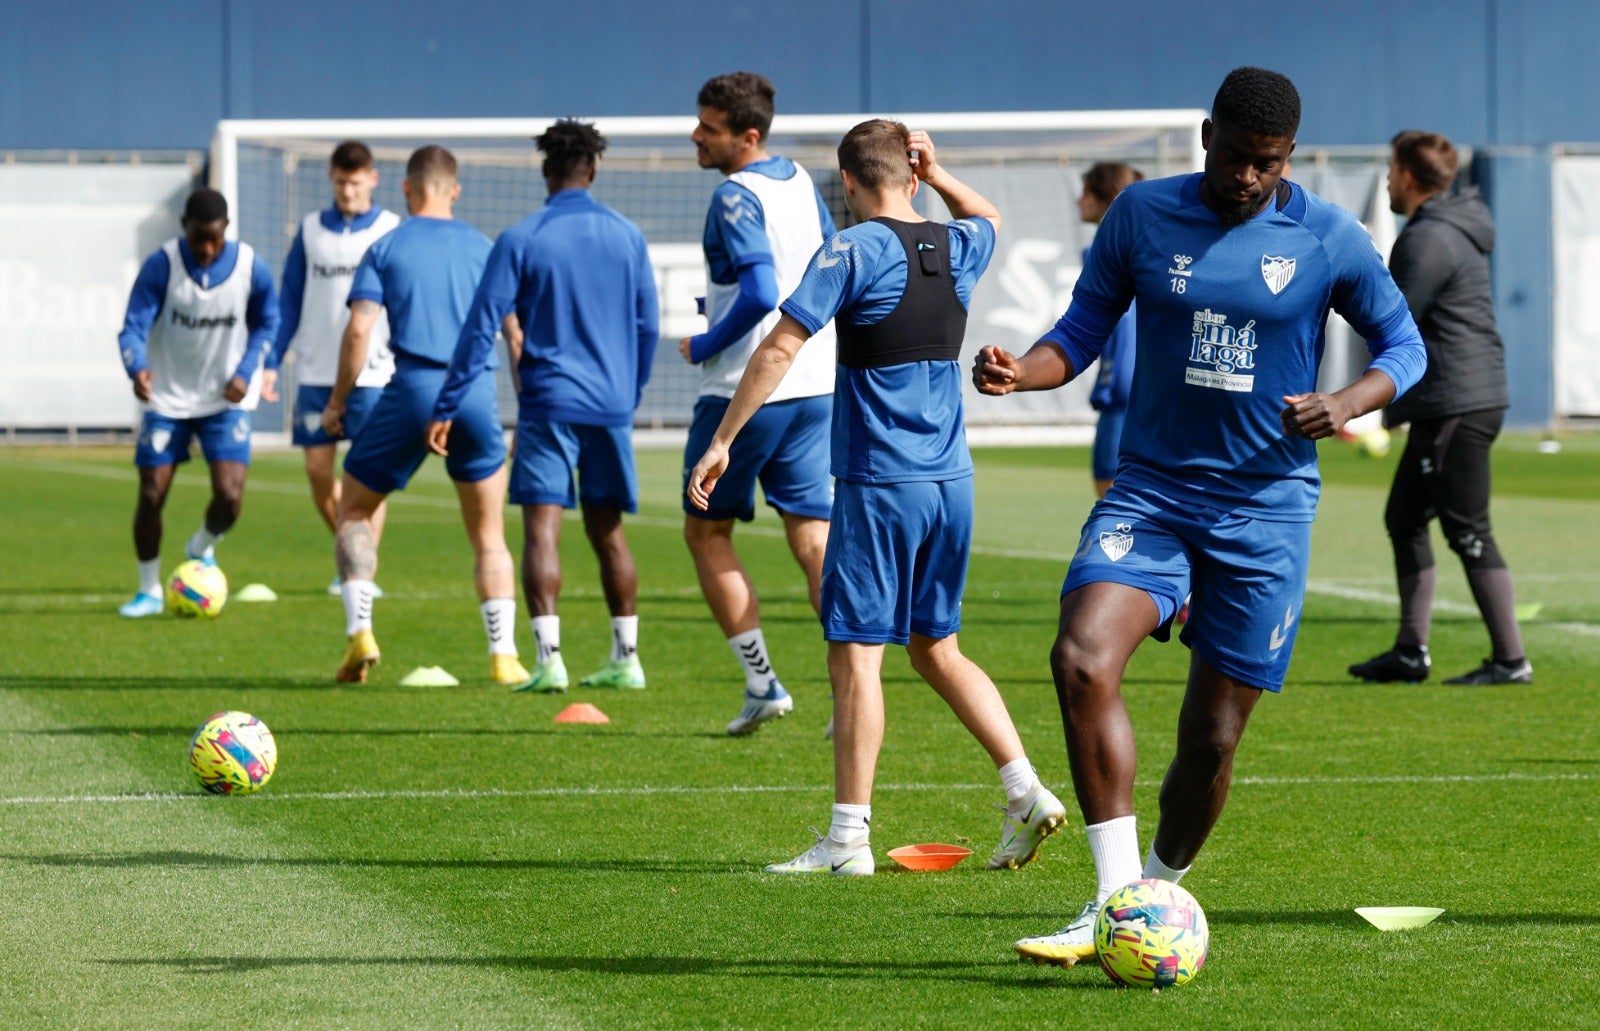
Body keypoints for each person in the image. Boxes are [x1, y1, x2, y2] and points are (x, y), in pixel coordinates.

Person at [972, 67, 1428, 965]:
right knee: (1080, 656)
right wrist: (1019, 371)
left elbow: (1406, 346)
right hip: (1154, 492)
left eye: (1269, 163)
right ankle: (1113, 904)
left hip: (1264, 508)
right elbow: (1078, 333)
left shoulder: (1329, 236)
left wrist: (1347, 401)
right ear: (1205, 133)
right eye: (1237, 156)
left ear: (1287, 156)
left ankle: (1159, 891)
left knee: (1212, 738)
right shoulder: (1141, 217)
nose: (1248, 177)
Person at [688, 120, 1067, 876]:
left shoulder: (851, 249)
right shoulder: (958, 247)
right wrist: (943, 171)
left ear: (849, 184)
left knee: (855, 656)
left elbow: (777, 347)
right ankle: (1025, 791)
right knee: (937, 648)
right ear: (914, 173)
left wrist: (726, 435)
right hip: (949, 482)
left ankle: (847, 840)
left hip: (879, 481)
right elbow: (989, 217)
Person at [427, 121, 659, 692]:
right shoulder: (628, 236)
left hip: (548, 403)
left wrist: (448, 402)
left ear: (545, 171)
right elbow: (648, 324)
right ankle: (626, 660)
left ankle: (550, 661)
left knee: (541, 532)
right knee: (610, 533)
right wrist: (628, 392)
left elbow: (482, 326)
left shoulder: (521, 237)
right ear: (594, 170)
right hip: (609, 405)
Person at [323, 145, 528, 686]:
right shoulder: (487, 247)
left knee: (355, 511)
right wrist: (526, 410)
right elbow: (515, 335)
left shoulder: (385, 246)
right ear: (454, 190)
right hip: (475, 393)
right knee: (489, 536)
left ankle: (359, 633)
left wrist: (338, 402)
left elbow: (360, 330)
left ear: (407, 190)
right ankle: (503, 654)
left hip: (412, 388)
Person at [680, 71, 839, 736]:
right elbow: (833, 257)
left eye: (708, 128)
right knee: (812, 538)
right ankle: (847, 689)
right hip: (816, 382)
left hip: (746, 392)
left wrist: (706, 340)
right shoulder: (801, 179)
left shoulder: (733, 196)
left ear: (747, 136)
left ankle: (762, 682)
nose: (695, 135)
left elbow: (758, 291)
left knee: (706, 530)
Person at [1347, 132, 1532, 687]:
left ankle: (1510, 660)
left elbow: (1391, 320)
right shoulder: (1452, 229)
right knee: (1404, 517)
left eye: (1390, 168)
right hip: (1459, 397)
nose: (1385, 180)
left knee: (1468, 529)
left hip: (1456, 400)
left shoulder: (1426, 240)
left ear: (1407, 176)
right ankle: (1410, 651)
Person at [115, 187, 280, 617]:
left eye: (214, 238)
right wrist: (137, 368)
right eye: (198, 238)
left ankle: (200, 546)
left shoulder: (249, 267)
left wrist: (246, 372)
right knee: (151, 494)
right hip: (168, 399)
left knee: (229, 496)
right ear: (184, 227)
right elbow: (133, 325)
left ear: (226, 229)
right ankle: (149, 589)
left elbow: (268, 322)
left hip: (223, 401)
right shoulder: (163, 265)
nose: (206, 248)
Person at [263, 141, 401, 594]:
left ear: (373, 179)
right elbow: (289, 299)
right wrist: (271, 361)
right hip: (315, 370)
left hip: (373, 373)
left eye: (355, 181)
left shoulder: (390, 229)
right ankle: (350, 549)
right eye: (340, 181)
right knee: (319, 472)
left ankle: (363, 575)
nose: (347, 190)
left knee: (367, 476)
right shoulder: (309, 231)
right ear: (330, 179)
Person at [1080, 162, 1144, 498]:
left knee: (1112, 501)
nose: (1079, 202)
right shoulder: (1147, 246)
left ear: (1104, 197)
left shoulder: (1109, 253)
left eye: (1086, 193)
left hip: (1124, 395)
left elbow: (1123, 326)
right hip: (1142, 393)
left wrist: (1114, 386)